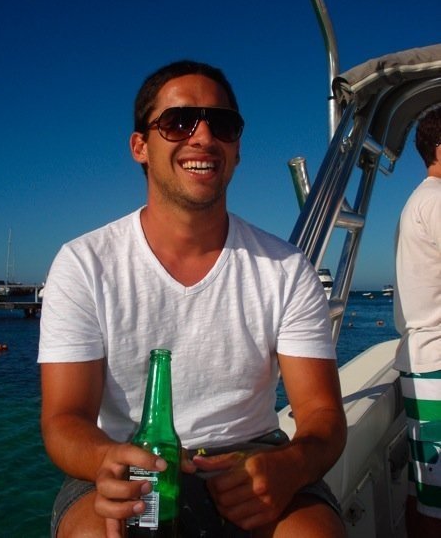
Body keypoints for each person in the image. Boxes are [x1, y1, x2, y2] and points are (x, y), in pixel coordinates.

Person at [38, 60, 347, 538]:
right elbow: (65, 419)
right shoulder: (84, 264)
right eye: (179, 122)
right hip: (125, 456)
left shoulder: (286, 269)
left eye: (222, 124)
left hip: (254, 454)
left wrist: (291, 465)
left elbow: (322, 415)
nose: (203, 137)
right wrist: (107, 460)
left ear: (237, 150)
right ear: (140, 146)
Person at [394, 105, 441, 538]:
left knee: (424, 487)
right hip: (437, 364)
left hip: (424, 360)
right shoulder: (437, 200)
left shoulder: (421, 199)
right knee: (436, 502)